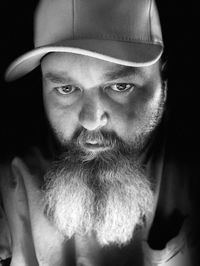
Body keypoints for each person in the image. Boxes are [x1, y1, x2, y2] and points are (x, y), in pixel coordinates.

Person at [0, 0, 199, 265]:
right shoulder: (9, 181)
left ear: (163, 85)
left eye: (120, 86)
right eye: (67, 89)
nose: (91, 120)